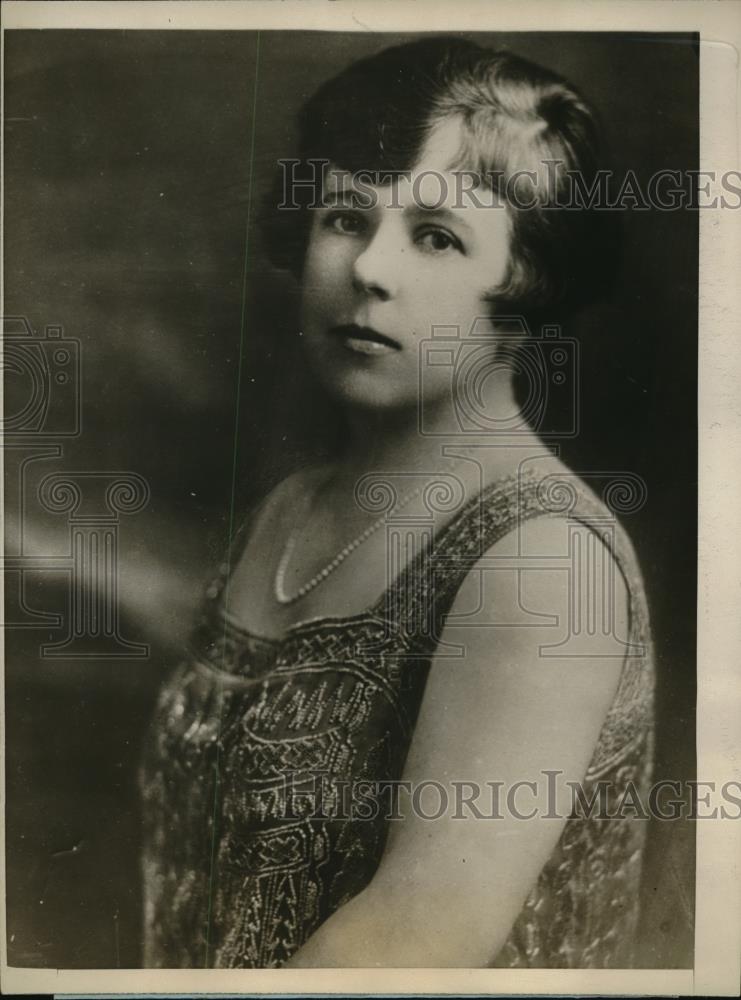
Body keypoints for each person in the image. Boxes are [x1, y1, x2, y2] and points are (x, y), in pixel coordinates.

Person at [139, 36, 654, 969]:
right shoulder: (287, 512)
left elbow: (418, 935)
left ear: (526, 280)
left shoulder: (542, 560)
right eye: (345, 217)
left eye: (435, 235)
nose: (370, 269)